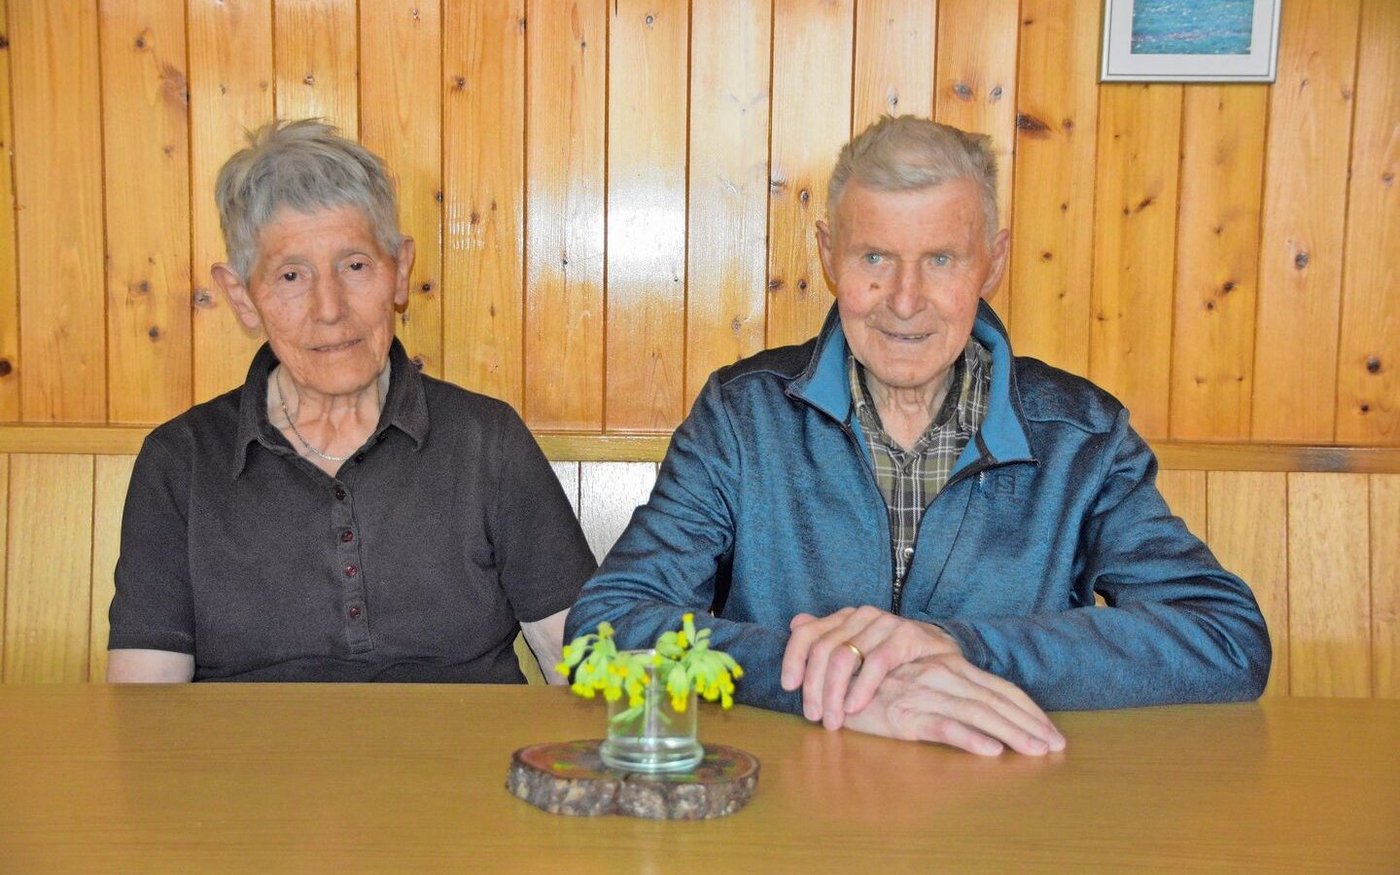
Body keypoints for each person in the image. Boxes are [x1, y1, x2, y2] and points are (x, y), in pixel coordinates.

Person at [565, 115, 1270, 755]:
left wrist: (957, 647)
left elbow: (1225, 635)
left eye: (940, 259)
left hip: (1011, 812)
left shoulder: (1081, 434)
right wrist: (837, 682)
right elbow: (608, 622)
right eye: (874, 258)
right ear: (827, 256)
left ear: (991, 262)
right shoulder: (742, 416)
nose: (904, 301)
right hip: (788, 810)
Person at [108, 119, 595, 683]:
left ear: (400, 272)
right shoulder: (181, 460)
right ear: (242, 298)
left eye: (355, 265)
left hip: (458, 767)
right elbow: (146, 707)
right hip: (249, 770)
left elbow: (577, 663)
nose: (330, 308)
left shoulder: (486, 439)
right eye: (291, 275)